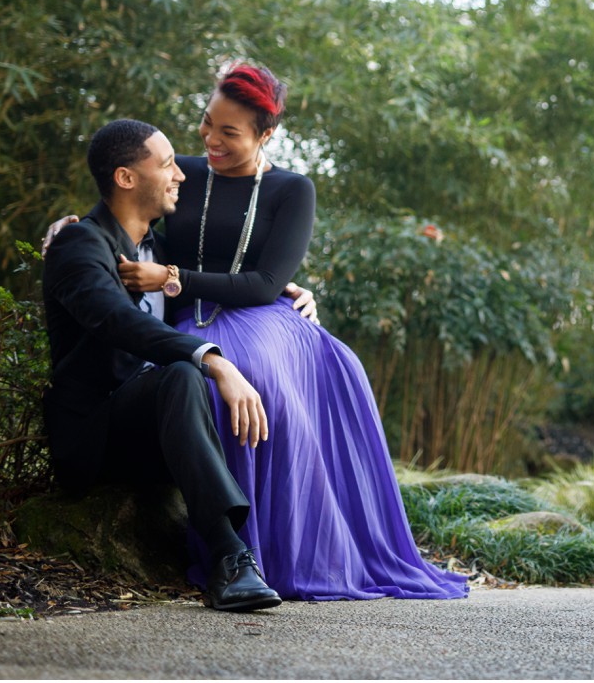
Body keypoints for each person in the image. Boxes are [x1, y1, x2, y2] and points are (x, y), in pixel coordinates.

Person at [115, 64, 468, 602]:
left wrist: (174, 278)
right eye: (207, 124)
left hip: (266, 318)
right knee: (212, 382)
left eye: (229, 133)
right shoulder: (182, 173)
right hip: (192, 320)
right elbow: (122, 208)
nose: (211, 139)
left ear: (266, 134)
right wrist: (73, 227)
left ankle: (287, 553)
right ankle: (233, 547)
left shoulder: (290, 189)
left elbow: (267, 283)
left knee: (268, 375)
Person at [41, 119, 282, 612]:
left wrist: (286, 290)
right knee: (184, 372)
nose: (181, 175)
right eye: (168, 163)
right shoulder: (78, 246)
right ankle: (229, 556)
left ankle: (270, 546)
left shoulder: (163, 252)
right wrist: (213, 360)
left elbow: (218, 283)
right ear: (126, 178)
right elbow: (116, 322)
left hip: (160, 429)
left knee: (194, 378)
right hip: (97, 435)